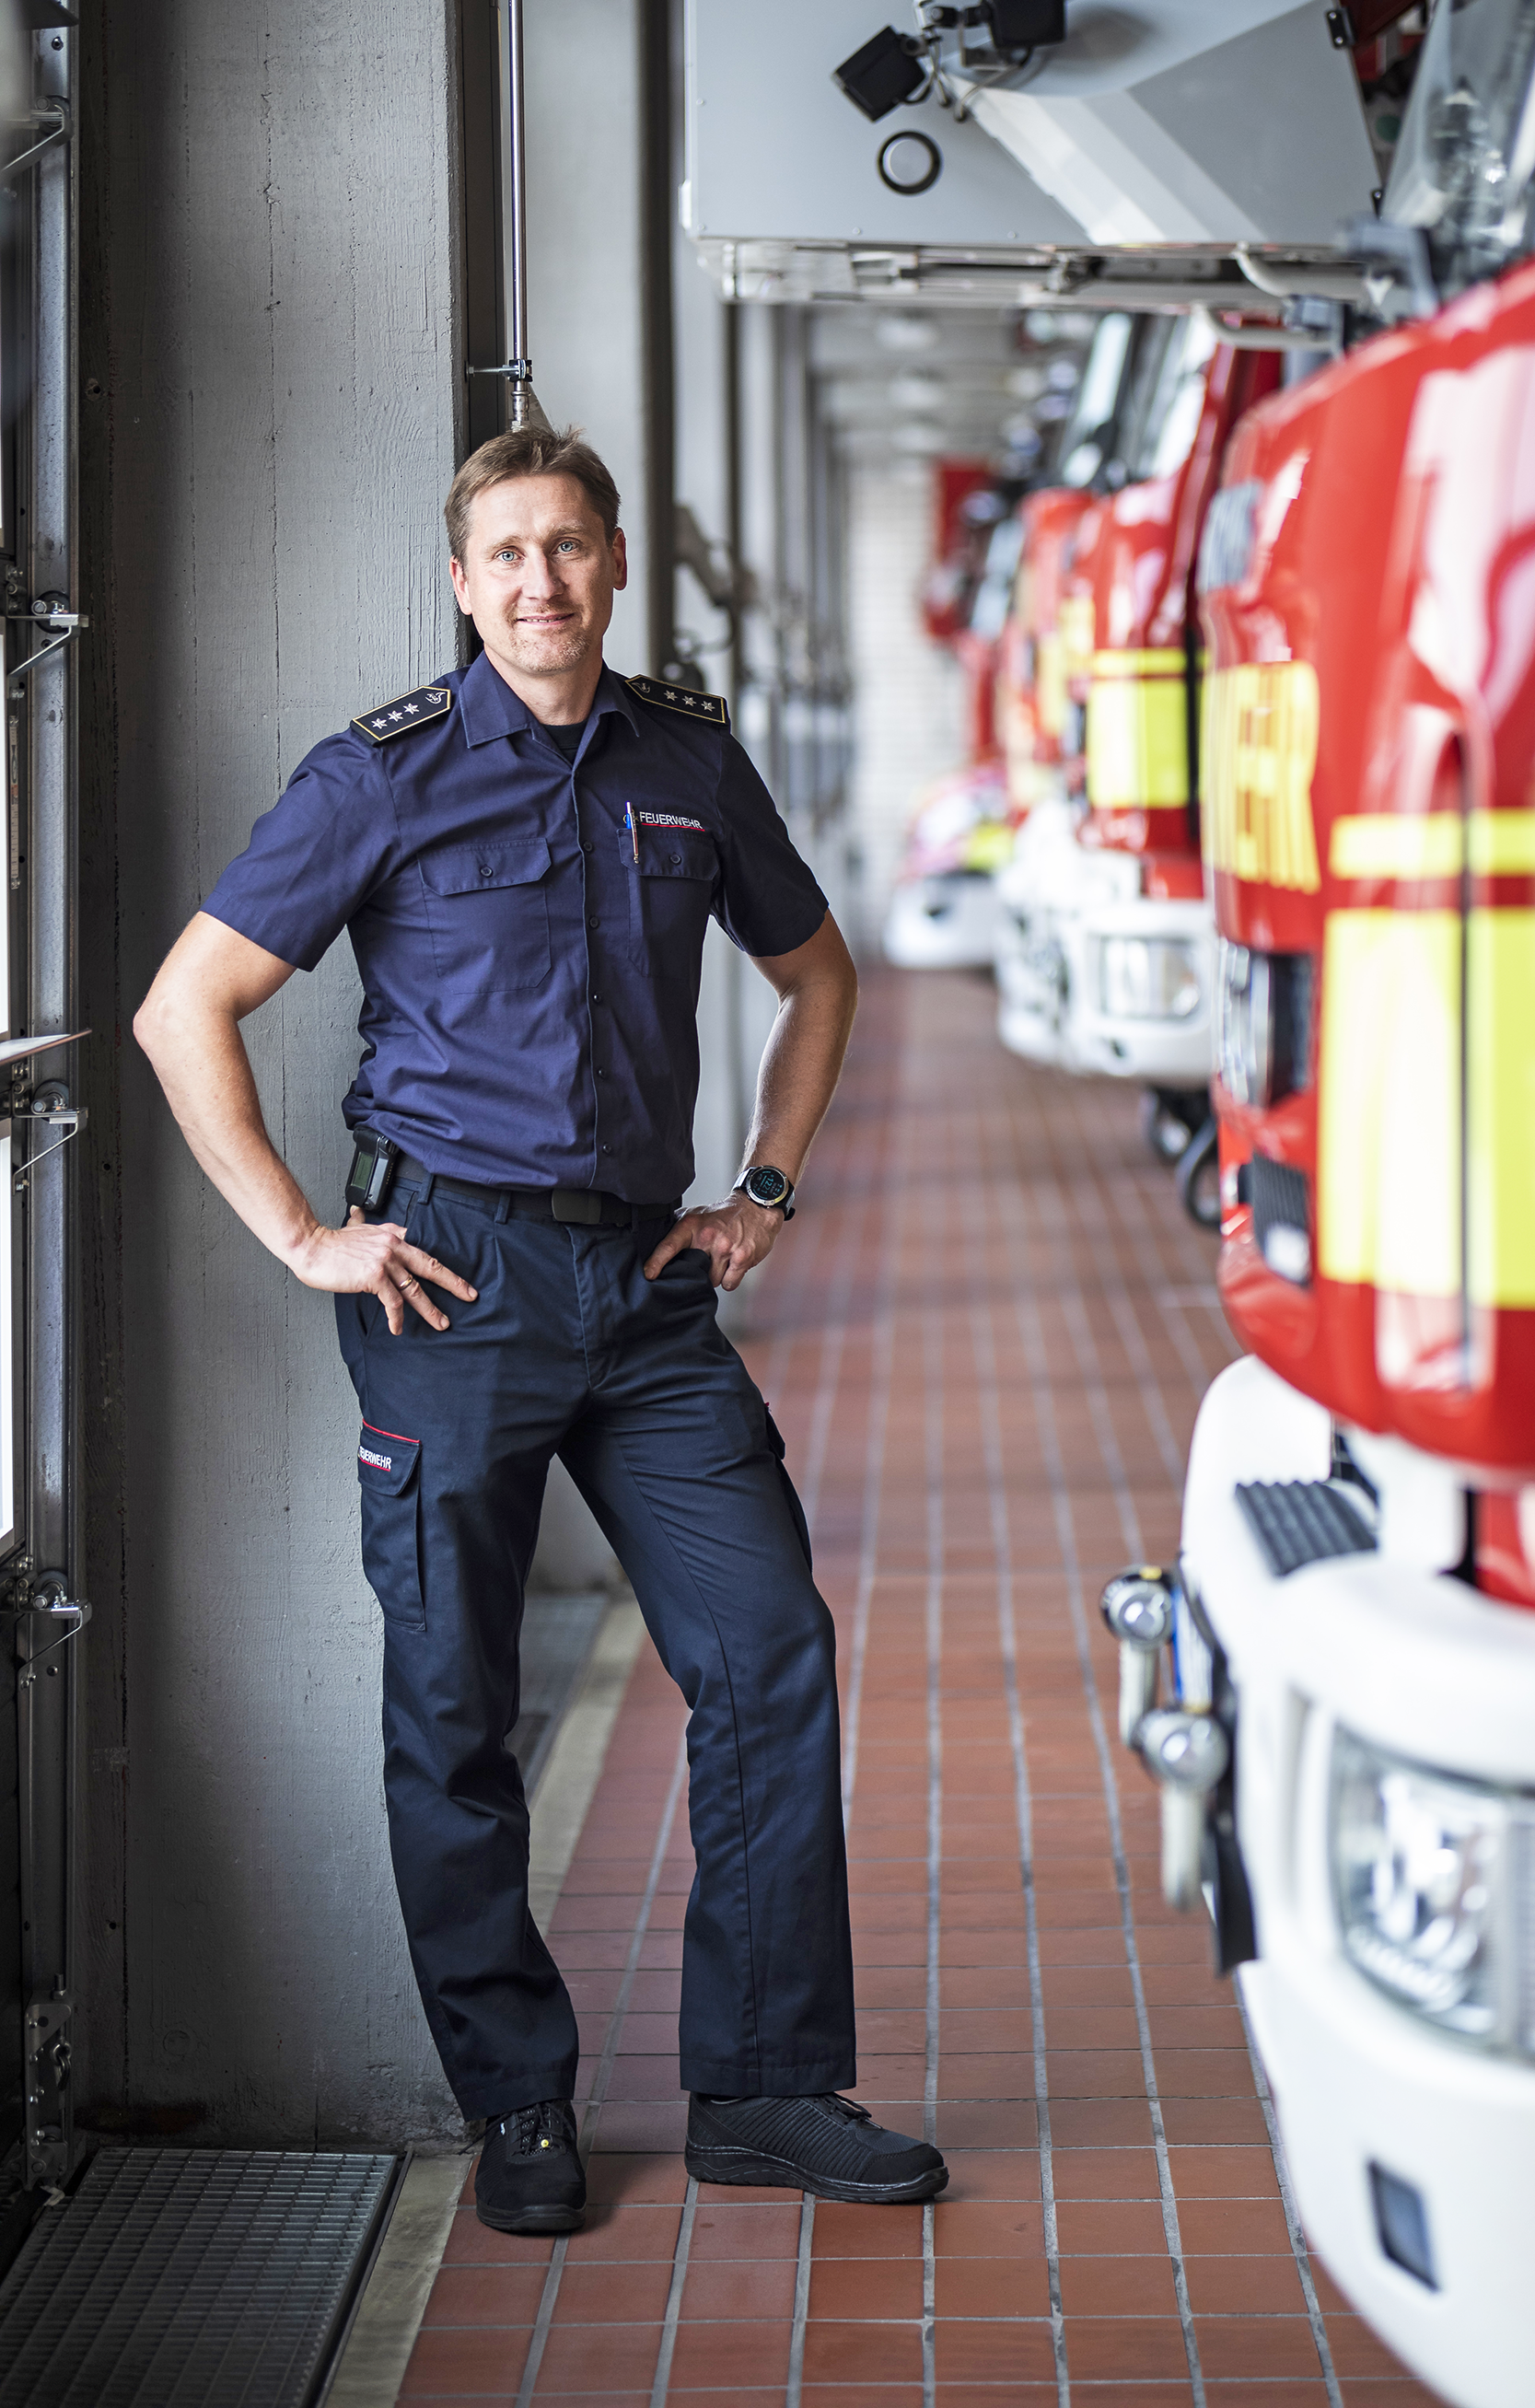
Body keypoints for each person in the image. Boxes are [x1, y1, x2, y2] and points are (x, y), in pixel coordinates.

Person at [133, 425, 948, 2233]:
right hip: (453, 1284)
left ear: (615, 563)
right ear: (459, 579)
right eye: (505, 554)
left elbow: (816, 973)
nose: (539, 583)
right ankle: (519, 2103)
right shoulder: (380, 776)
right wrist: (301, 1237)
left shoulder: (687, 761)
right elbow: (184, 1005)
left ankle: (765, 2085)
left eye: (568, 548)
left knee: (765, 1649)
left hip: (650, 1293)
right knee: (454, 1706)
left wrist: (768, 1190)